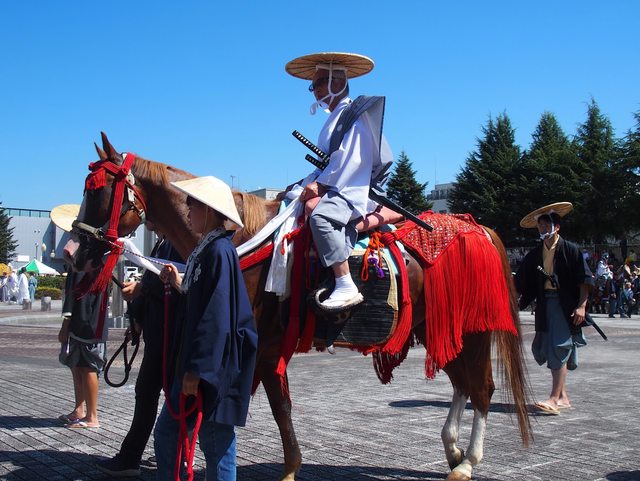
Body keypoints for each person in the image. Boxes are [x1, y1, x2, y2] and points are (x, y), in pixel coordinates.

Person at [154, 176, 258, 481]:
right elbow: (205, 301)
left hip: (210, 370)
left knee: (214, 446)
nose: (187, 212)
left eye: (192, 206)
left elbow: (216, 315)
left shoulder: (218, 251)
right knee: (181, 437)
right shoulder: (209, 249)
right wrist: (179, 283)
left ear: (209, 211)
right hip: (202, 365)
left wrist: (198, 370)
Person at [283, 52, 393, 310]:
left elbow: (351, 159)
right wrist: (300, 185)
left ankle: (345, 283)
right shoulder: (336, 118)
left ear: (339, 82)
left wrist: (321, 186)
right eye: (313, 85)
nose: (315, 90)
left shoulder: (355, 114)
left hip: (354, 186)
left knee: (321, 216)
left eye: (320, 82)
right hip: (340, 182)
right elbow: (328, 163)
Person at [96, 224, 183, 477]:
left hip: (170, 336)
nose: (146, 222)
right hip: (158, 334)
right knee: (148, 394)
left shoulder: (175, 243)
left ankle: (154, 456)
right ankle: (136, 456)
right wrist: (137, 317)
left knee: (162, 397)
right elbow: (153, 279)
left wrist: (142, 289)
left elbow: (175, 283)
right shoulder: (164, 242)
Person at [515, 202, 593, 415]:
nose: (542, 228)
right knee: (548, 347)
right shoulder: (535, 254)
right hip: (544, 303)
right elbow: (521, 281)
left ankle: (554, 398)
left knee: (559, 346)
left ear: (557, 227)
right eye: (539, 226)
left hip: (564, 304)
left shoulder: (571, 249)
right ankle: (563, 397)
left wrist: (582, 306)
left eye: (546, 225)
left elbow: (584, 280)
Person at [58, 270, 109, 428]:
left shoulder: (83, 265)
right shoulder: (97, 265)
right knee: (78, 366)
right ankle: (79, 410)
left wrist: (65, 325)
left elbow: (75, 297)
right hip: (89, 324)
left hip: (87, 325)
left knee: (87, 368)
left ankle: (92, 416)